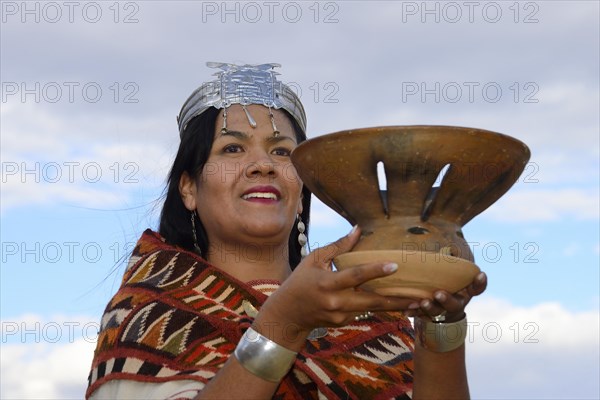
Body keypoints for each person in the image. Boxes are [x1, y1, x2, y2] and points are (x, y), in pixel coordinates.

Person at [86, 62, 487, 400]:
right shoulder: (148, 317)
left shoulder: (369, 315)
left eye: (281, 151)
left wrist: (440, 326)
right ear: (189, 188)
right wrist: (284, 324)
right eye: (232, 148)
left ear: (302, 189)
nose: (264, 165)